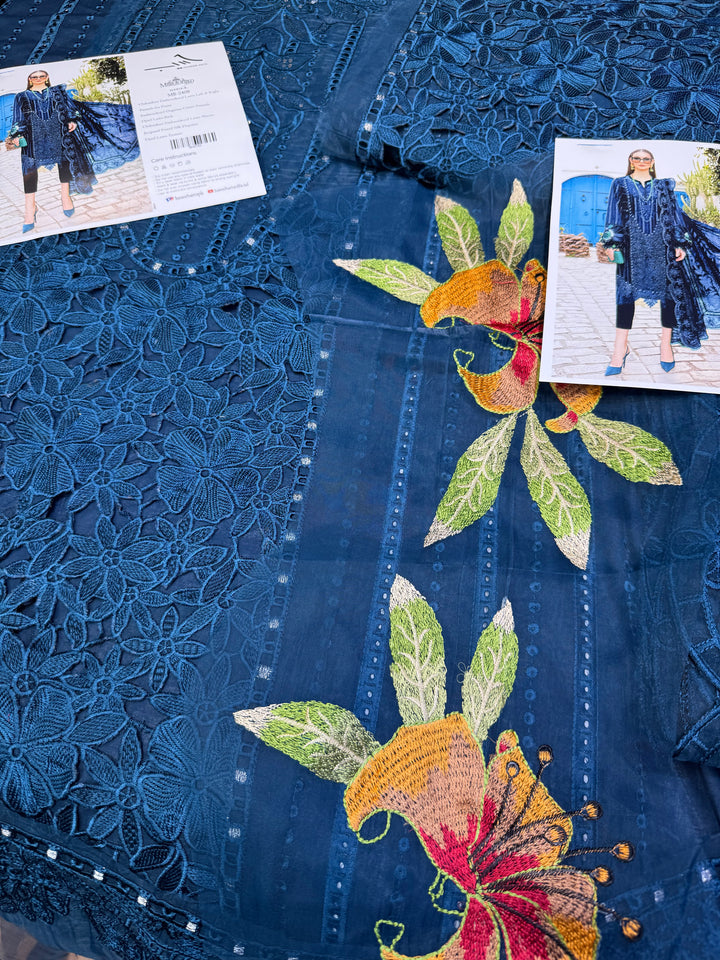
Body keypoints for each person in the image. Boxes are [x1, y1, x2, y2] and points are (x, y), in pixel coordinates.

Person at [10, 67, 141, 234]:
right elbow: (18, 118)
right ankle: (30, 210)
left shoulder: (57, 92)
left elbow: (69, 109)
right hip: (32, 136)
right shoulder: (21, 96)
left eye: (42, 75)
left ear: (47, 77)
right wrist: (16, 134)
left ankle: (65, 197)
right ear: (29, 79)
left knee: (65, 164)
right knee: (29, 171)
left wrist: (72, 120)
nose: (38, 78)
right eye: (34, 76)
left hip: (58, 132)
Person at [601, 149, 690, 375]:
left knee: (668, 296)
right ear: (631, 161)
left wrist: (679, 243)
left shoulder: (663, 186)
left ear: (652, 162)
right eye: (637, 158)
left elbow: (674, 214)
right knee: (625, 295)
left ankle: (665, 345)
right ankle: (619, 349)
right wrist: (612, 243)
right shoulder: (619, 184)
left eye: (646, 158)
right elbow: (614, 213)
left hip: (663, 246)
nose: (641, 161)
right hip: (631, 246)